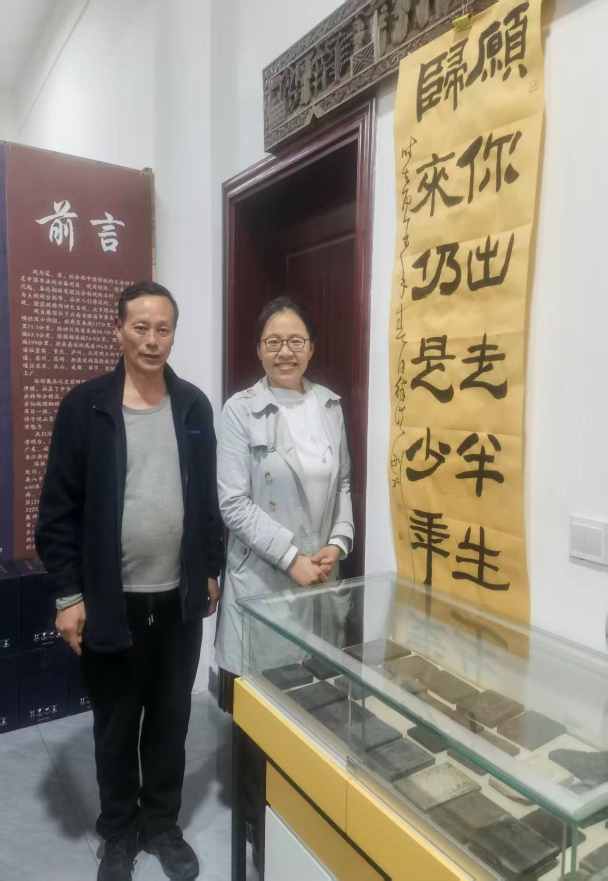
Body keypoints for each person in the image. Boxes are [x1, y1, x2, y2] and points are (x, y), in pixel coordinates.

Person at [35, 281, 223, 881]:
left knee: (170, 720)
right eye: (140, 327)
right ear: (118, 330)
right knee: (116, 726)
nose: (151, 340)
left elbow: (207, 498)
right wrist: (69, 594)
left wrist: (210, 567)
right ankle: (117, 831)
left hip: (178, 600)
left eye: (163, 329)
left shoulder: (192, 407)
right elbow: (58, 510)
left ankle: (161, 825)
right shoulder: (86, 407)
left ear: (173, 335)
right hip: (110, 603)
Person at [214, 296, 354, 860]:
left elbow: (344, 485)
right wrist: (293, 556)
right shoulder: (241, 411)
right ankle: (257, 828)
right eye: (273, 342)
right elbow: (233, 503)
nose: (285, 352)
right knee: (261, 714)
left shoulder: (329, 404)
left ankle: (297, 823)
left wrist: (338, 543)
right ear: (258, 351)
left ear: (312, 348)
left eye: (296, 341)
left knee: (310, 707)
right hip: (265, 582)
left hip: (320, 578)